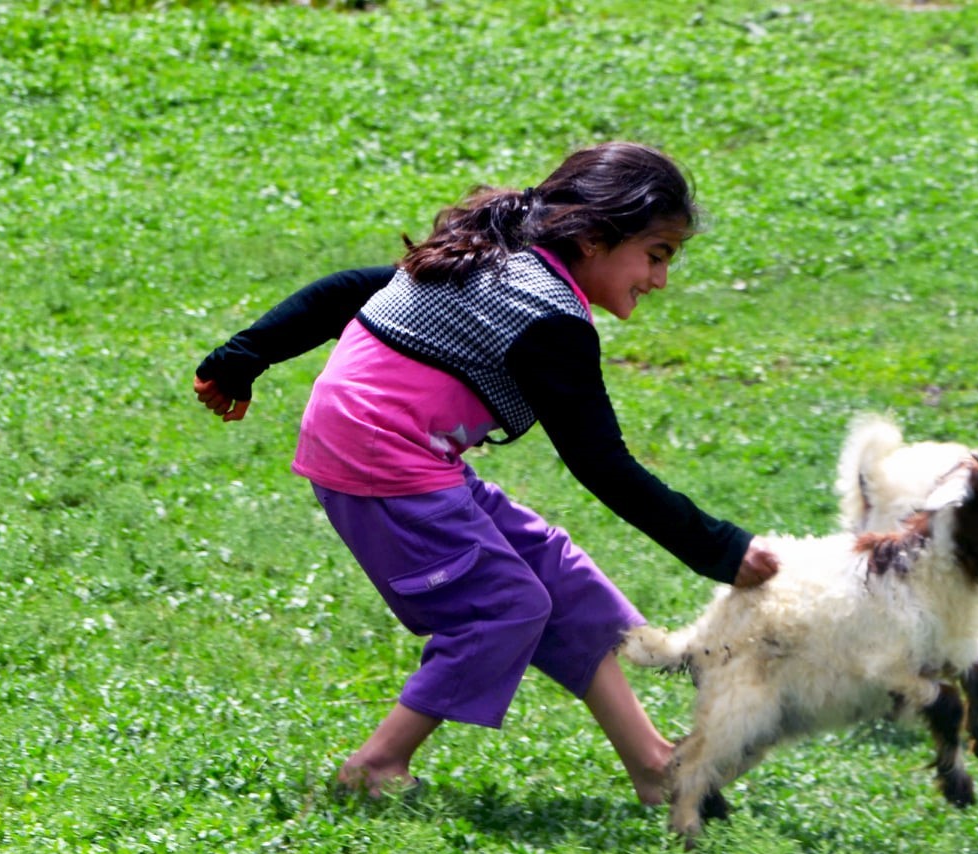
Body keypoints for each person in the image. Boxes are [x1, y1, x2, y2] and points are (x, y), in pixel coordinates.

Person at [192, 142, 779, 804]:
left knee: (560, 577)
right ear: (591, 237)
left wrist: (241, 357)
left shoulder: (501, 260)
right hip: (377, 455)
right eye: (657, 255)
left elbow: (348, 293)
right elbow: (602, 465)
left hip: (403, 449)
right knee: (506, 606)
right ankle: (377, 764)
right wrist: (723, 550)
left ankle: (652, 765)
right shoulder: (548, 317)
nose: (661, 279)